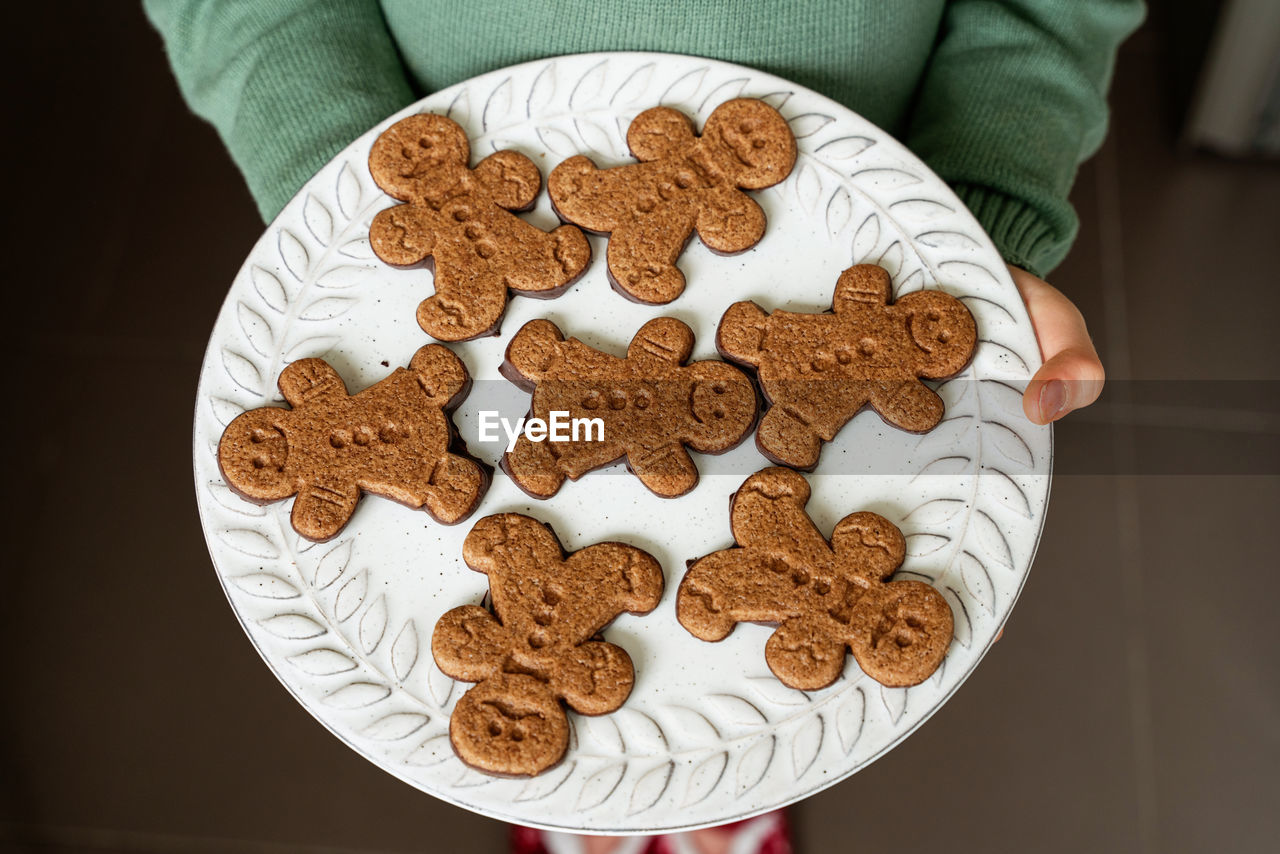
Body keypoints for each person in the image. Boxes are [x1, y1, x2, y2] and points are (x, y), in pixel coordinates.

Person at [145, 2, 1141, 850]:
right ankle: (593, 819)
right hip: (459, 299)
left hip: (841, 220)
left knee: (740, 668)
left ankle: (719, 811)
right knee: (500, 453)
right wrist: (347, 193)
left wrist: (974, 220)